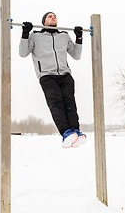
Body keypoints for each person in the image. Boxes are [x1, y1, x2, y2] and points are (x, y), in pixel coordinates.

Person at [19, 12, 87, 148]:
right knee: (56, 103)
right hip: (46, 75)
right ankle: (66, 133)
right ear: (44, 21)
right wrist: (25, 34)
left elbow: (76, 55)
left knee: (70, 104)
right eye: (49, 16)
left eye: (55, 16)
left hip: (65, 75)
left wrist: (79, 37)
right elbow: (23, 53)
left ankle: (76, 131)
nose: (53, 18)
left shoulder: (64, 36)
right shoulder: (36, 36)